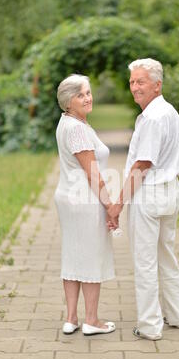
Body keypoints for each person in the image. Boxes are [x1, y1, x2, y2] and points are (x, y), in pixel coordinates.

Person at [108, 58, 179, 340]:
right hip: (170, 192)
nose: (134, 87)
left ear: (157, 84)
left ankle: (150, 326)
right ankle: (178, 316)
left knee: (145, 262)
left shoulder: (153, 117)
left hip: (151, 194)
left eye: (140, 81)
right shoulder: (169, 111)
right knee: (166, 254)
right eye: (132, 81)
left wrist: (118, 204)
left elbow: (142, 166)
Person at [54, 74, 117, 336]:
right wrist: (110, 206)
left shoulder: (68, 122)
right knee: (92, 256)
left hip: (68, 197)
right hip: (85, 199)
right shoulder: (78, 128)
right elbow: (92, 173)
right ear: (68, 101)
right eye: (81, 95)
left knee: (73, 253)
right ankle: (91, 320)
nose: (88, 98)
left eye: (89, 93)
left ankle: (71, 318)